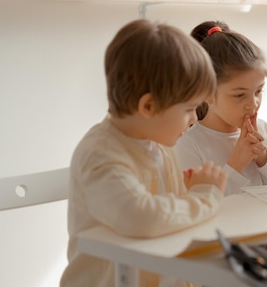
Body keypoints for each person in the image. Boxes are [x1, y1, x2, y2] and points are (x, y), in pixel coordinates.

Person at [60, 19, 228, 287]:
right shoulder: (100, 153)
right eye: (188, 110)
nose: (193, 119)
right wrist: (204, 196)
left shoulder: (159, 142)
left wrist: (184, 190)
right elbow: (141, 218)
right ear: (148, 106)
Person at [175, 21, 267, 195]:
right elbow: (198, 207)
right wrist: (235, 164)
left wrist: (265, 159)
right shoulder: (188, 144)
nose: (253, 103)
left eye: (259, 91)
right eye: (239, 95)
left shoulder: (264, 130)